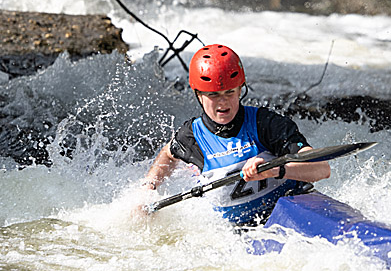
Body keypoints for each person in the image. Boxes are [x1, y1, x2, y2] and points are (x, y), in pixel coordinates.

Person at [136, 44, 330, 227]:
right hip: (237, 232)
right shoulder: (191, 137)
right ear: (198, 95)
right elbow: (169, 153)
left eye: (229, 92)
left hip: (291, 209)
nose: (223, 102)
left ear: (240, 90)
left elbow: (321, 169)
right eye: (213, 95)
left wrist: (277, 170)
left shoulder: (267, 124)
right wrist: (149, 187)